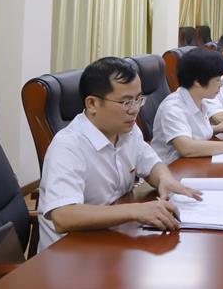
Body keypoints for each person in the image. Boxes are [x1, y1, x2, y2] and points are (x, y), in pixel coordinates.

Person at [37, 57, 202, 252]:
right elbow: (63, 216)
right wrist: (135, 210)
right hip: (72, 252)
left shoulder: (127, 131)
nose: (134, 110)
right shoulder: (68, 146)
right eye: (125, 102)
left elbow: (152, 164)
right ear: (92, 104)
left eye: (138, 99)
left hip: (113, 238)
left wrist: (164, 179)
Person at [152, 49, 223, 164]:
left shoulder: (199, 99)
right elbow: (186, 148)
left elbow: (191, 131)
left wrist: (216, 128)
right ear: (198, 82)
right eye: (217, 80)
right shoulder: (173, 108)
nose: (221, 84)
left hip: (193, 163)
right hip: (173, 168)